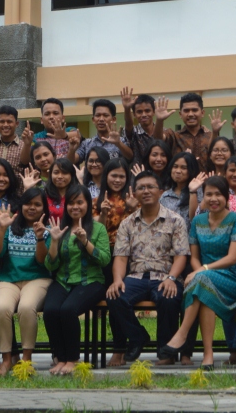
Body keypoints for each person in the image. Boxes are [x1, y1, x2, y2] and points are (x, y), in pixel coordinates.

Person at [157, 177, 236, 370]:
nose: (213, 199)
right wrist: (200, 271)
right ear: (203, 197)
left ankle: (182, 334)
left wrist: (201, 270)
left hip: (231, 277)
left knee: (201, 282)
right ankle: (208, 355)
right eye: (209, 194)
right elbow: (194, 257)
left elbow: (232, 258)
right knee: (204, 292)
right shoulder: (197, 221)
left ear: (226, 197)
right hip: (204, 279)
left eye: (218, 194)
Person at [107, 171, 189, 363]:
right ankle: (137, 337)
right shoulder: (127, 223)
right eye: (141, 188)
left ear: (160, 191)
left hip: (165, 276)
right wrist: (117, 280)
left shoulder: (175, 220)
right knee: (115, 295)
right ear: (134, 194)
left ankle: (165, 350)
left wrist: (171, 278)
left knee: (168, 297)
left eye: (150, 187)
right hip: (135, 277)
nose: (146, 191)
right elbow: (120, 257)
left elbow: (181, 255)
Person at [42, 184, 111, 375]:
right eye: (71, 203)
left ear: (88, 204)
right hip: (63, 280)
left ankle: (72, 359)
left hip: (91, 281)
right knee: (50, 310)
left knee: (67, 310)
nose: (75, 207)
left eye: (80, 202)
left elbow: (104, 259)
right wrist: (54, 241)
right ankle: (60, 357)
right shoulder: (59, 228)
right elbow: (50, 265)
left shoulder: (97, 228)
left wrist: (85, 242)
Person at [0, 189, 51, 376]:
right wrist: (1, 229)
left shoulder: (47, 229)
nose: (32, 208)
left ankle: (26, 360)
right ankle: (7, 360)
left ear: (43, 208)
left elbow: (42, 261)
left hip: (37, 278)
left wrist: (39, 237)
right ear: (21, 206)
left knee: (26, 307)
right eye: (28, 203)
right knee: (1, 307)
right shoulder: (10, 227)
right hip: (7, 279)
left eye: (37, 204)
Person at [95, 157, 136, 368]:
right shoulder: (96, 200)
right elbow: (96, 232)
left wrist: (129, 209)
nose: (118, 180)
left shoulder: (134, 198)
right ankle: (119, 348)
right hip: (104, 255)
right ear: (106, 177)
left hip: (128, 257)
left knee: (118, 299)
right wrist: (102, 212)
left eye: (122, 176)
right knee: (112, 301)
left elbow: (137, 228)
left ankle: (122, 349)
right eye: (114, 175)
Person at [154, 93, 223, 168]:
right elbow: (158, 139)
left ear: (202, 113)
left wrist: (215, 132)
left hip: (208, 179)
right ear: (180, 114)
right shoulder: (174, 136)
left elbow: (214, 154)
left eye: (194, 110)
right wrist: (159, 121)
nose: (190, 114)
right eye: (186, 111)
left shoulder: (210, 136)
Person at [74, 99, 132, 164]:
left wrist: (118, 143)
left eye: (105, 115)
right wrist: (71, 149)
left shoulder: (121, 141)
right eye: (98, 115)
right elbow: (72, 161)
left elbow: (130, 157)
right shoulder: (86, 144)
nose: (101, 119)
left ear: (113, 119)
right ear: (93, 120)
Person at [20, 97, 77, 163]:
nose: (51, 117)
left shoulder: (70, 131)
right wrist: (27, 144)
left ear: (63, 118)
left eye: (55, 113)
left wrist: (64, 135)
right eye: (47, 114)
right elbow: (24, 162)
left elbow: (77, 135)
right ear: (41, 120)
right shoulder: (35, 138)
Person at [160, 152, 201, 229]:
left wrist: (192, 191)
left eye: (183, 168)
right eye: (175, 167)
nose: (178, 171)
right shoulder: (165, 196)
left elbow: (195, 219)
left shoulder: (200, 193)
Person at [119, 89, 157, 166]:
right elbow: (128, 123)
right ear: (134, 115)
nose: (143, 114)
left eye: (147, 111)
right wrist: (127, 108)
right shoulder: (133, 132)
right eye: (139, 112)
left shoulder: (163, 132)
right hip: (137, 175)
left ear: (154, 112)